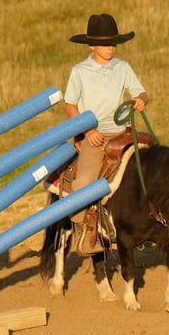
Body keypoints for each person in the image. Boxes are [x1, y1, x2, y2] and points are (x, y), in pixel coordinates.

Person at [64, 13, 148, 252]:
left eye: (114, 43)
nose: (111, 47)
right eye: (105, 43)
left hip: (123, 133)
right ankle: (84, 229)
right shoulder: (80, 71)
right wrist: (87, 130)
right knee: (85, 180)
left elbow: (140, 92)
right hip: (95, 135)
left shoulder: (123, 67)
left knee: (152, 166)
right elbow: (70, 105)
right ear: (91, 46)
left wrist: (141, 100)